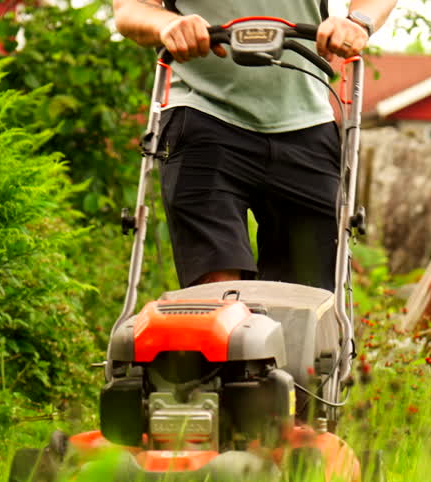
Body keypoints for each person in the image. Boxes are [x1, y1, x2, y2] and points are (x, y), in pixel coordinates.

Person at [113, 0, 397, 290]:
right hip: (202, 114)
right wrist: (167, 25)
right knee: (218, 292)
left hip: (306, 119)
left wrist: (357, 21)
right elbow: (129, 9)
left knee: (310, 296)